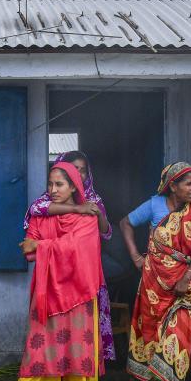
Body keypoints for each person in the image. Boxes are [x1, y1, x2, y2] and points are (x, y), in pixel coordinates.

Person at [118, 162, 191, 381]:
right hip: (153, 284)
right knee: (151, 334)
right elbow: (125, 223)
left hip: (186, 285)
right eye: (188, 184)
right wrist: (135, 257)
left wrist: (187, 277)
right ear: (173, 186)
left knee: (177, 335)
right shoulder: (154, 205)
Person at [18, 161, 106, 381]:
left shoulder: (87, 219)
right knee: (39, 350)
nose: (53, 189)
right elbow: (28, 247)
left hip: (79, 295)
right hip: (46, 293)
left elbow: (80, 249)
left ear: (73, 188)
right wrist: (38, 246)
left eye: (59, 184)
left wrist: (41, 246)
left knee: (77, 350)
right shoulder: (41, 216)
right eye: (50, 184)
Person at [24, 149, 114, 361]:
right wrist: (79, 209)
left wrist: (95, 214)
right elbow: (35, 216)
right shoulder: (45, 202)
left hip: (85, 264)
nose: (79, 174)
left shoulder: (94, 199)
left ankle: (89, 367)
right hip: (55, 271)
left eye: (82, 170)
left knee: (85, 329)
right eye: (75, 169)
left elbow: (105, 231)